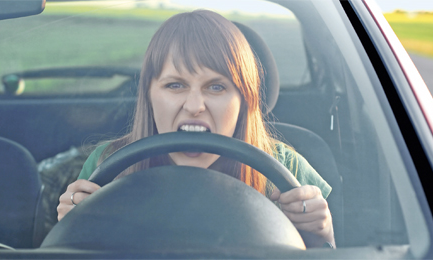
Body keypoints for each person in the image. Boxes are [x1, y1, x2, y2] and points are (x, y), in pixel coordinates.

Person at [57, 10, 335, 248]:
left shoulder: (288, 171)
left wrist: (324, 234)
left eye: (216, 87)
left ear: (244, 99)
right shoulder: (108, 164)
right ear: (149, 95)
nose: (194, 105)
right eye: (175, 85)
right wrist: (69, 229)